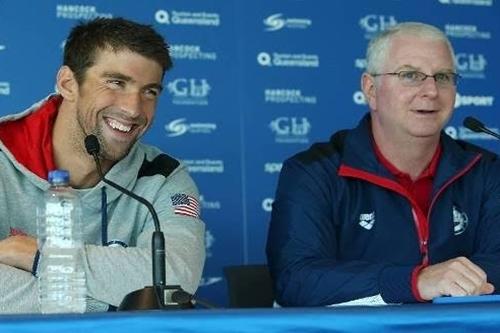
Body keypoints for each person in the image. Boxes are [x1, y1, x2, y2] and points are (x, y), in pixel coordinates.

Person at [266, 22, 500, 306]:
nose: (431, 90)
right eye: (410, 75)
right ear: (371, 89)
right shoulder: (313, 172)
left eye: (443, 76)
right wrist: (415, 282)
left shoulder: (486, 170)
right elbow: (296, 279)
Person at [0, 18, 205, 313]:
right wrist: (116, 308)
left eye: (150, 91)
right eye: (116, 83)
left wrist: (39, 256)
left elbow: (175, 278)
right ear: (68, 84)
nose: (134, 109)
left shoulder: (163, 175)